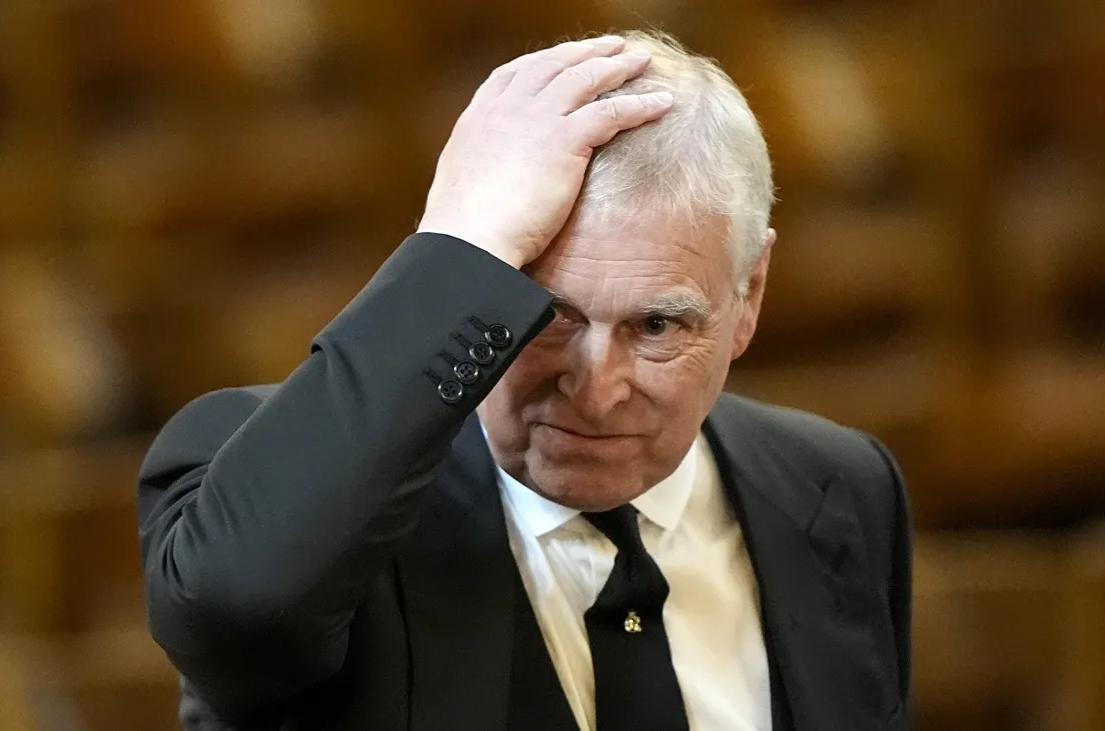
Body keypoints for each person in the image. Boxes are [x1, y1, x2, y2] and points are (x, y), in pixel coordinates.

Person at [137, 30, 911, 731]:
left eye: (656, 327)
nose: (598, 389)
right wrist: (458, 242)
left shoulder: (839, 488)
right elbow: (233, 612)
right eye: (552, 317)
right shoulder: (300, 501)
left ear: (750, 295)